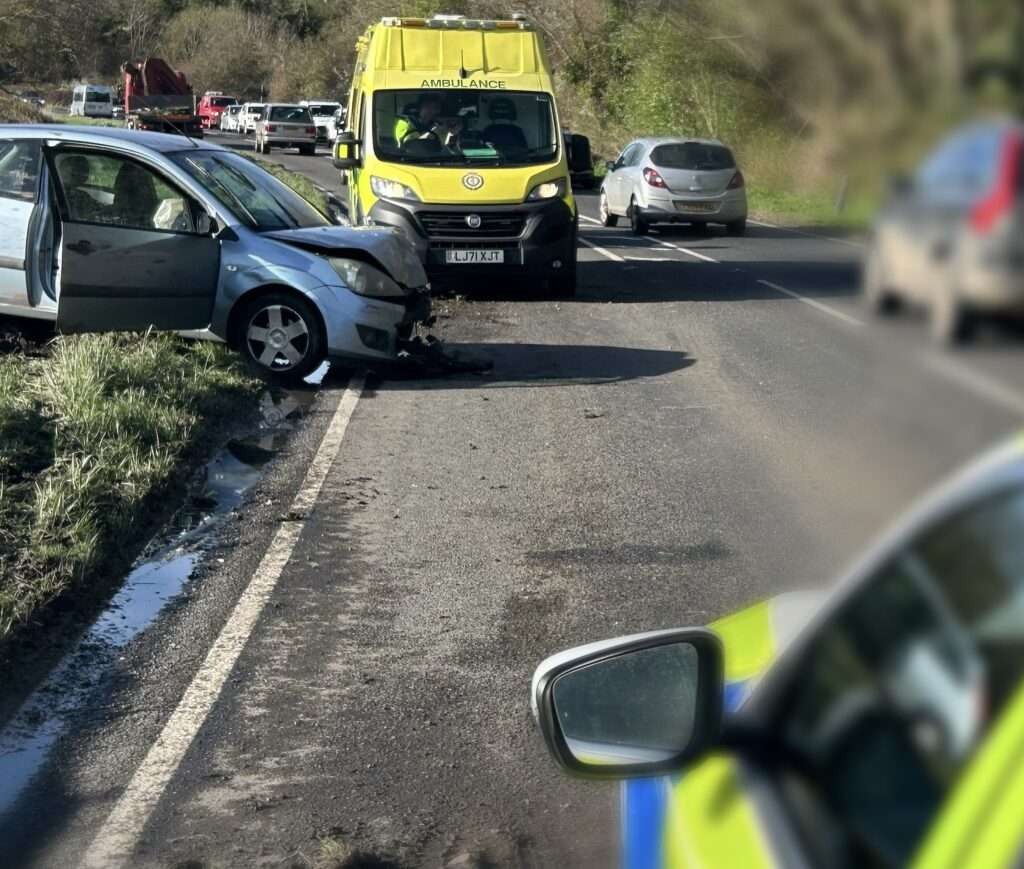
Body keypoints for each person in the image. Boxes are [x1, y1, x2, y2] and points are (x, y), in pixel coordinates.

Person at [394, 94, 460, 149]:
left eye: (435, 107)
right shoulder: (404, 123)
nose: (431, 110)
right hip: (407, 160)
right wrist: (434, 130)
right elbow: (412, 145)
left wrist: (452, 133)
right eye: (427, 106)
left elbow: (444, 148)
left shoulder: (438, 126)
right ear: (419, 108)